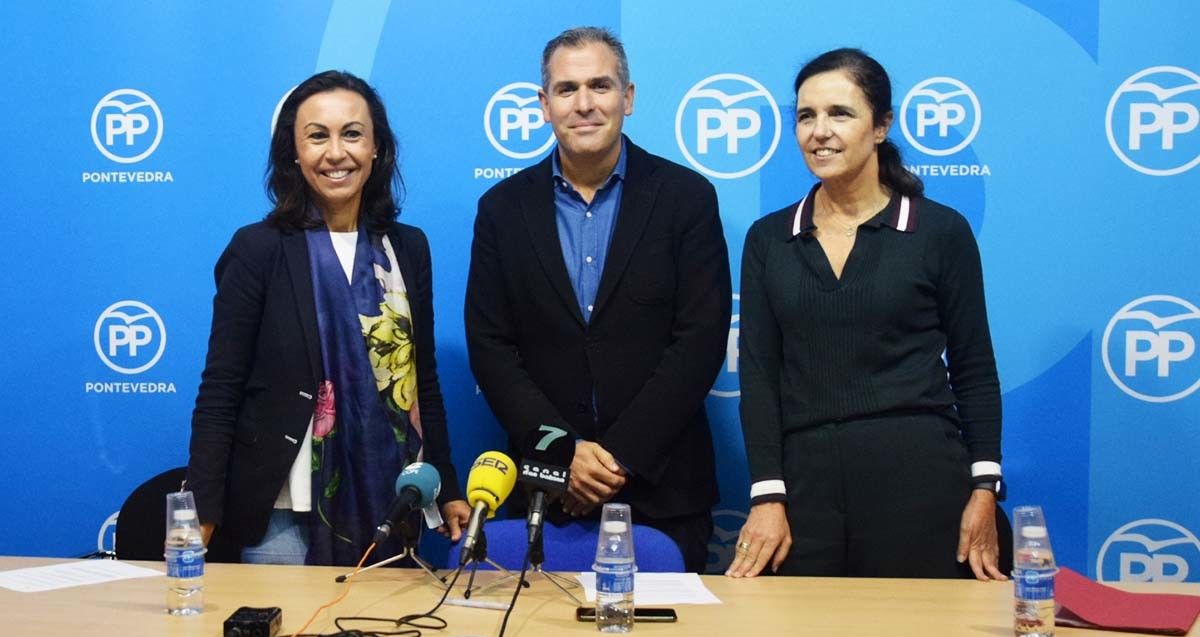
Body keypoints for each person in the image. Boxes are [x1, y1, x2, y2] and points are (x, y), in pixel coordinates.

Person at [727, 48, 1006, 581]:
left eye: (840, 113)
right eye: (806, 116)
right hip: (804, 490)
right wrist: (767, 494)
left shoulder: (939, 232)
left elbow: (973, 367)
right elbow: (759, 376)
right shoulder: (769, 239)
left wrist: (984, 487)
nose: (819, 131)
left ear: (881, 126)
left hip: (920, 480)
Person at [465, 27, 732, 573]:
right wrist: (565, 454)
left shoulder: (687, 198)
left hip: (664, 492)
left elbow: (700, 341)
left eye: (600, 86)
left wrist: (615, 459)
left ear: (628, 98)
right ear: (544, 105)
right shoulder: (501, 209)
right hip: (542, 491)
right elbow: (491, 346)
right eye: (566, 89)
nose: (584, 104)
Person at [186, 70, 470, 566]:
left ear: (377, 147)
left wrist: (444, 482)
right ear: (293, 153)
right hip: (282, 519)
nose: (336, 153)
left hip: (393, 504)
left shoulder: (408, 247)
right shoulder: (259, 249)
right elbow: (220, 390)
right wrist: (202, 511)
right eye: (317, 136)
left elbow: (422, 383)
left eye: (352, 134)